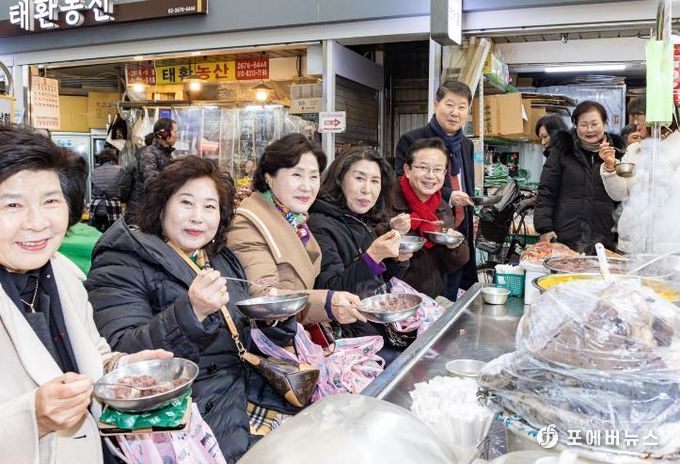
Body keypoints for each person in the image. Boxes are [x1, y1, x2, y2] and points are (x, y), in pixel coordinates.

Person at [86, 156, 298, 463]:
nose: (198, 217)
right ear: (162, 205)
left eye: (210, 207)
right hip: (186, 416)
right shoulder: (121, 260)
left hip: (243, 393)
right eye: (186, 203)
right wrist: (192, 312)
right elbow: (123, 356)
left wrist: (271, 320)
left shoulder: (218, 257)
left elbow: (242, 338)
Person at [0, 124, 170, 464]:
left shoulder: (63, 275)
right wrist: (31, 420)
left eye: (50, 201)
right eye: (12, 205)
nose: (38, 222)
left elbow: (92, 352)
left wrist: (122, 369)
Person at [227, 134, 366, 331]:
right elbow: (264, 298)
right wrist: (327, 302)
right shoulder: (248, 224)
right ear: (269, 177)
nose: (307, 187)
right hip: (273, 340)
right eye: (296, 175)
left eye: (314, 176)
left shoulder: (295, 220)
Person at [307, 146, 411, 358]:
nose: (367, 189)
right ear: (340, 179)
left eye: (375, 181)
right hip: (349, 346)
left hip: (375, 332)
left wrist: (395, 260)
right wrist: (373, 257)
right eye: (359, 178)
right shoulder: (320, 226)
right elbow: (332, 295)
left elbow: (375, 282)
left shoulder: (360, 219)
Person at [394, 80, 476, 300]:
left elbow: (466, 183)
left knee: (454, 296)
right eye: (450, 105)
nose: (455, 112)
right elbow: (400, 181)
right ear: (436, 104)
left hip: (457, 229)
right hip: (426, 231)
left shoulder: (466, 145)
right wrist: (449, 196)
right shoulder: (412, 139)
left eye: (462, 107)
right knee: (430, 294)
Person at [534, 100, 625, 253]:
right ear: (575, 124)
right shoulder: (561, 151)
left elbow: (623, 198)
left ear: (604, 123)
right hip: (566, 238)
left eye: (594, 124)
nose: (589, 130)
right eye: (583, 124)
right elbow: (546, 192)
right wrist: (545, 228)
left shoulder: (618, 154)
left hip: (605, 239)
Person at [389, 138, 469, 298]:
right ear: (407, 170)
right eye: (423, 168)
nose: (430, 176)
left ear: (444, 174)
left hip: (431, 299)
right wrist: (390, 230)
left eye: (437, 169)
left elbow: (454, 264)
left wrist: (454, 245)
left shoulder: (443, 207)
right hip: (393, 300)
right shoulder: (386, 201)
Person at [89, 147, 122, 232]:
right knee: (112, 234)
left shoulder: (94, 171)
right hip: (113, 207)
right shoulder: (119, 170)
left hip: (96, 208)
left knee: (97, 234)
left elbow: (94, 190)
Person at [139, 117, 177, 189]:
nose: (176, 136)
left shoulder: (166, 153)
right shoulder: (150, 154)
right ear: (165, 134)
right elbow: (151, 183)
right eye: (175, 132)